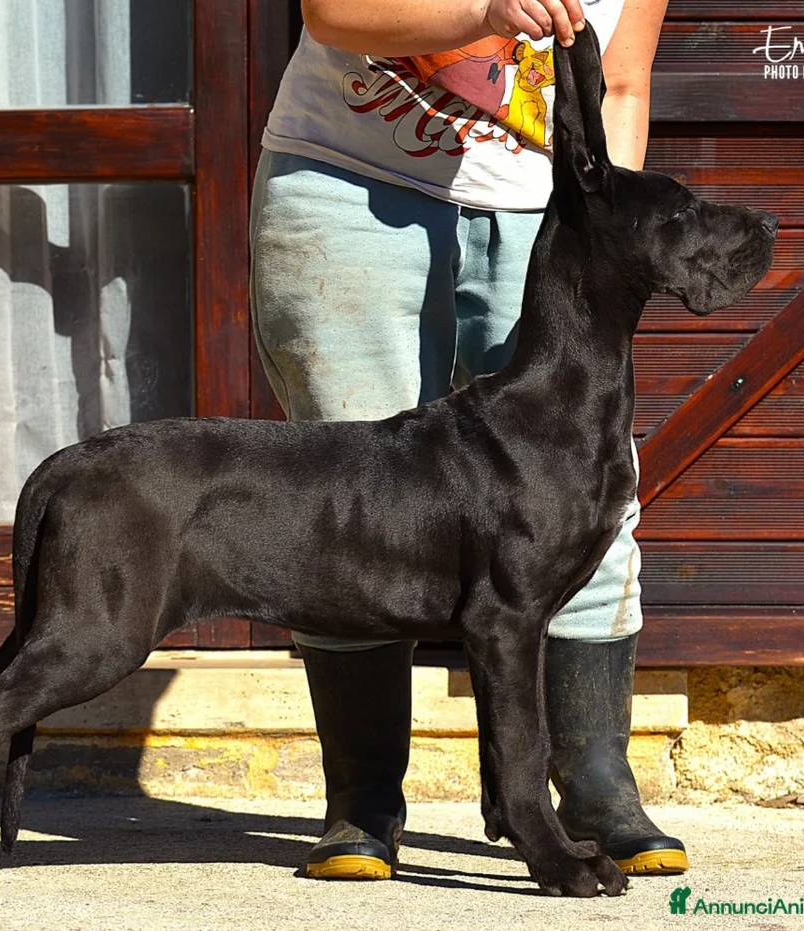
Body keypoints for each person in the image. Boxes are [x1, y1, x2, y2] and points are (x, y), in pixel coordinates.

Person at [249, 0, 684, 880]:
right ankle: (362, 802)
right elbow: (333, 11)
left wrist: (613, 244)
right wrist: (485, 11)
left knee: (587, 498)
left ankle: (595, 784)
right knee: (353, 513)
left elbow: (626, 81)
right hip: (349, 184)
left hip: (542, 217)